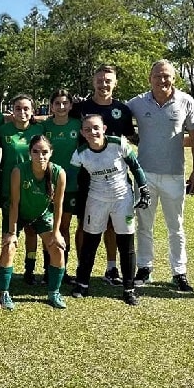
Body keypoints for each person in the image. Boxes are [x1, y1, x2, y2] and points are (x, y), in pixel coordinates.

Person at [126, 60, 194, 291]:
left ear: (174, 79)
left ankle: (179, 273)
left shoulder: (186, 101)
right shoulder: (137, 103)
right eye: (157, 75)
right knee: (143, 225)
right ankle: (144, 268)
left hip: (174, 176)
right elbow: (117, 120)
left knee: (175, 227)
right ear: (150, 78)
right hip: (144, 174)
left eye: (166, 76)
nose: (162, 80)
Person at [70, 114, 150, 306]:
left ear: (104, 128)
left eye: (96, 128)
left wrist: (144, 190)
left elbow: (135, 167)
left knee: (126, 244)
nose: (92, 132)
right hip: (96, 199)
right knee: (90, 242)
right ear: (82, 133)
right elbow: (73, 178)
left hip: (123, 199)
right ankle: (82, 283)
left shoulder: (118, 143)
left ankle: (129, 289)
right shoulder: (80, 153)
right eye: (87, 129)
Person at [69, 65, 136, 287]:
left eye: (108, 80)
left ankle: (111, 267)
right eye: (100, 80)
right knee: (84, 224)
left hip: (116, 181)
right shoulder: (80, 108)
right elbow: (56, 116)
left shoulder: (122, 110)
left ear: (115, 83)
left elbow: (131, 139)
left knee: (112, 225)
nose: (103, 84)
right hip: (87, 176)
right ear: (93, 81)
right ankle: (83, 268)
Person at [3, 135, 69, 309]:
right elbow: (14, 204)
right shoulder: (19, 171)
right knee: (8, 248)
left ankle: (54, 292)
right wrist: (11, 232)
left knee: (57, 249)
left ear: (51, 153)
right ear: (29, 153)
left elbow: (58, 206)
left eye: (45, 152)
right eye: (36, 151)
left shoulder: (58, 173)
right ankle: (4, 292)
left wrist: (56, 233)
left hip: (41, 215)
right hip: (20, 215)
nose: (40, 156)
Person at [0, 94, 45, 285]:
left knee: (32, 232)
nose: (22, 112)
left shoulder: (39, 130)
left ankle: (29, 269)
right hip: (9, 188)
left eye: (26, 108)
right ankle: (2, 269)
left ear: (32, 111)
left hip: (33, 189)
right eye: (18, 108)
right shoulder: (3, 130)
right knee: (9, 232)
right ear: (12, 110)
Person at [41, 90, 82, 284]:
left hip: (72, 185)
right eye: (57, 103)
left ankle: (62, 269)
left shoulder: (78, 125)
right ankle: (47, 268)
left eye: (65, 103)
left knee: (64, 227)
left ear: (71, 105)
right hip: (48, 184)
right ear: (52, 106)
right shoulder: (45, 127)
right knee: (48, 227)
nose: (61, 107)